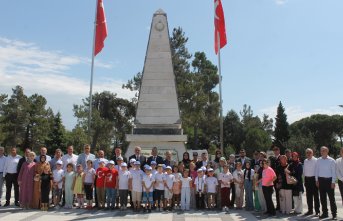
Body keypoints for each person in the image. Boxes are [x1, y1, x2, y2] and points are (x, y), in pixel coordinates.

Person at [315, 146, 337, 220]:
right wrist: (316, 180)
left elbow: (334, 172)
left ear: (327, 151)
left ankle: (334, 214)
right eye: (321, 150)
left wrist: (333, 182)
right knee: (322, 198)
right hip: (321, 181)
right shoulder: (318, 160)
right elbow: (316, 171)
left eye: (324, 150)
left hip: (329, 181)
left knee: (331, 198)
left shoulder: (332, 160)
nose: (322, 152)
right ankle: (325, 213)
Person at [303, 148, 320, 216]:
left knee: (316, 196)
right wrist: (304, 180)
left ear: (312, 153)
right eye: (307, 152)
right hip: (307, 179)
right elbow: (304, 171)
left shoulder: (316, 160)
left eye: (310, 152)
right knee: (308, 196)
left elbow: (317, 171)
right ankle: (310, 210)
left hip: (314, 179)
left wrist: (317, 180)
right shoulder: (305, 160)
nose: (308, 154)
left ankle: (317, 211)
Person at [269, 146, 281, 211]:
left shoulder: (281, 157)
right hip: (274, 177)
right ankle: (278, 205)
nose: (276, 151)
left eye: (277, 150)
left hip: (280, 177)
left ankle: (282, 205)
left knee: (281, 192)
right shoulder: (272, 158)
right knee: (277, 192)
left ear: (279, 151)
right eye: (274, 150)